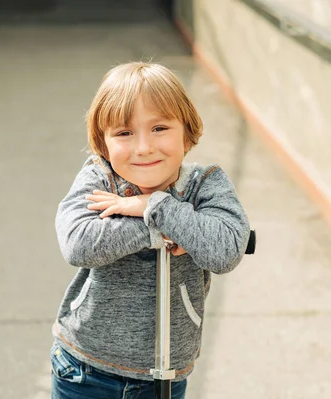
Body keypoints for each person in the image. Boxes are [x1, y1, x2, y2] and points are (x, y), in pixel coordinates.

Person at [50, 61, 251, 399]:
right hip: (85, 369)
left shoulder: (204, 185)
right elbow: (78, 243)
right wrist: (164, 230)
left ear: (186, 132)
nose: (143, 147)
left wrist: (154, 207)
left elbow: (227, 249)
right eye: (124, 133)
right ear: (104, 144)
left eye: (159, 128)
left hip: (166, 373)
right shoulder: (100, 179)